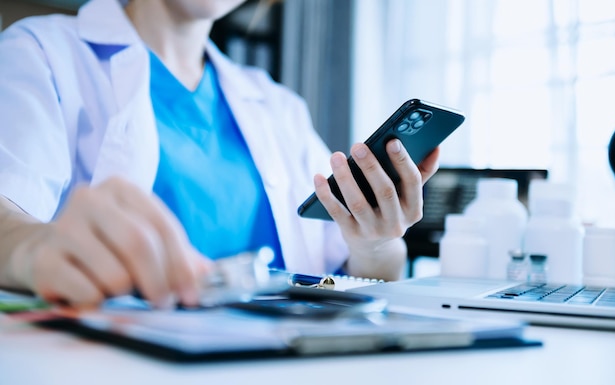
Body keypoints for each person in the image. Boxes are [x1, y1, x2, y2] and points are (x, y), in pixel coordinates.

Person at [0, 0, 440, 308]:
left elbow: (356, 277)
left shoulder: (279, 106)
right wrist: (36, 250)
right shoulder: (41, 52)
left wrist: (376, 242)